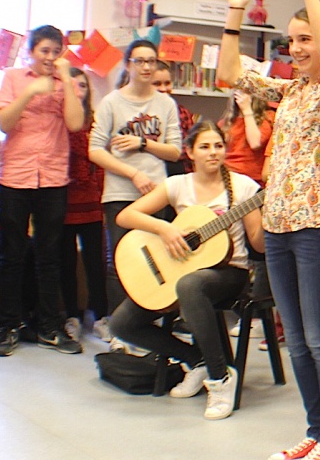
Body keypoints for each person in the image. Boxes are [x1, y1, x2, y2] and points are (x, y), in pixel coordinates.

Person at [220, 0, 320, 460]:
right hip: (278, 226)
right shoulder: (288, 91)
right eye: (291, 40)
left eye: (305, 38)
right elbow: (230, 71)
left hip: (317, 226)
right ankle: (315, 429)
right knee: (296, 338)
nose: (298, 48)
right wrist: (236, 8)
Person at [109, 120, 263, 420]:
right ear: (190, 152)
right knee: (121, 324)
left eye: (218, 146)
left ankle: (220, 378)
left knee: (190, 285)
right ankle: (196, 360)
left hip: (230, 273)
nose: (213, 152)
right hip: (184, 270)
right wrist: (164, 229)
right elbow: (126, 216)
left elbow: (258, 244)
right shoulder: (177, 185)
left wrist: (270, 221)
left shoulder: (243, 187)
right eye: (204, 147)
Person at [0, 25, 86, 357]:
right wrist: (31, 92)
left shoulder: (66, 82)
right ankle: (8, 326)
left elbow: (75, 123)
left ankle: (49, 327)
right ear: (30, 51)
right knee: (11, 255)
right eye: (44, 51)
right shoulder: (13, 77)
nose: (50, 57)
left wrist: (67, 81)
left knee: (50, 256)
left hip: (53, 178)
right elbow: (4, 123)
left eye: (56, 51)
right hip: (14, 177)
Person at [89, 40, 183, 338]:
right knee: (119, 262)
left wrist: (143, 143)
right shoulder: (111, 102)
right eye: (139, 61)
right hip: (120, 194)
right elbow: (95, 150)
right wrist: (133, 173)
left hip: (156, 194)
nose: (146, 67)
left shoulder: (166, 104)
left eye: (151, 61)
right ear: (128, 64)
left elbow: (175, 151)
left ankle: (150, 327)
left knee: (158, 261)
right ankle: (119, 330)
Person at [61, 68, 106, 340]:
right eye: (73, 85)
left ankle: (100, 315)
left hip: (93, 201)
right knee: (66, 263)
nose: (79, 90)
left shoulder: (97, 121)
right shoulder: (60, 121)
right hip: (64, 200)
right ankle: (72, 316)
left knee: (96, 262)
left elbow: (100, 160)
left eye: (83, 86)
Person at [220, 89, 272, 184]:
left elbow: (255, 143)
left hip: (253, 181)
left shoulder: (267, 118)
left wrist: (247, 110)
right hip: (227, 177)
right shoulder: (226, 122)